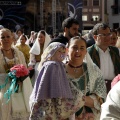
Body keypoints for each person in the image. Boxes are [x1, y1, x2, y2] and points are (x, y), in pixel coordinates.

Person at [29, 42, 84, 120]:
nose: (62, 54)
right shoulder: (51, 65)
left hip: (59, 93)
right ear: (52, 52)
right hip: (51, 96)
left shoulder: (59, 65)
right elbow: (47, 83)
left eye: (63, 52)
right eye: (59, 51)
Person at [65, 36, 106, 119]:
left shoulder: (93, 70)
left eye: (82, 48)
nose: (78, 51)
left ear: (86, 51)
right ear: (67, 50)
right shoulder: (58, 70)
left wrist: (79, 99)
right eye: (74, 47)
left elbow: (101, 99)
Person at [0, 28, 32, 120]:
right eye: (2, 37)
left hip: (19, 88)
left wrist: (20, 76)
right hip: (3, 88)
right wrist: (8, 76)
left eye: (8, 36)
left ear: (12, 38)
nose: (6, 39)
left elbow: (25, 70)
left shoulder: (19, 54)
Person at [87, 23, 120, 93]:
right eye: (104, 35)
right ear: (95, 37)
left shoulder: (115, 51)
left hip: (114, 88)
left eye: (109, 34)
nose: (108, 37)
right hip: (96, 90)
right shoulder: (89, 52)